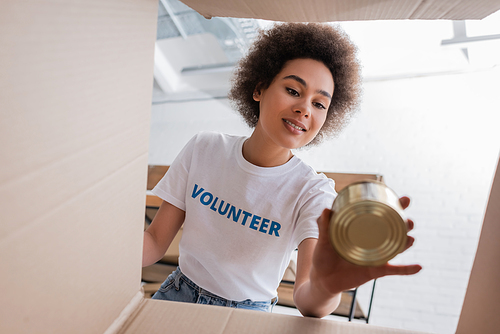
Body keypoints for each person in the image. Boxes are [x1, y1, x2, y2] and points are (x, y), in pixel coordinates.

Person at [142, 22, 422, 318]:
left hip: (247, 318)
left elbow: (307, 298)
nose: (305, 109)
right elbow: (155, 243)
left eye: (319, 104)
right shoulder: (204, 149)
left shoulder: (313, 192)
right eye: (292, 90)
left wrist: (326, 289)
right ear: (259, 88)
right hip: (175, 296)